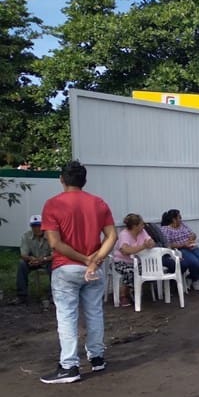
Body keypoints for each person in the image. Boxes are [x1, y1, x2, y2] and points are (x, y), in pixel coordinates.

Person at [40, 160, 116, 384]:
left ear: (62, 180)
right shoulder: (98, 203)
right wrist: (94, 260)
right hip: (93, 269)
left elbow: (54, 243)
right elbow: (112, 236)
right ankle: (97, 357)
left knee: (67, 317)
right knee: (94, 313)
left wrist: (84, 259)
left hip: (66, 268)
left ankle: (69, 366)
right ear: (84, 181)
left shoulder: (53, 204)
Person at [160, 209, 199, 291]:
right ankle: (195, 280)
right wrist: (183, 244)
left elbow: (193, 234)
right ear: (174, 219)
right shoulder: (166, 229)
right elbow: (168, 244)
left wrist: (192, 237)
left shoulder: (183, 225)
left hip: (191, 246)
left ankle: (190, 277)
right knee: (195, 263)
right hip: (180, 249)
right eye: (179, 217)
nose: (181, 219)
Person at [113, 213, 156, 306]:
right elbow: (125, 251)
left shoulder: (142, 232)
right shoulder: (124, 235)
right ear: (134, 226)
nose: (143, 226)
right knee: (130, 271)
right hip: (122, 261)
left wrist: (150, 244)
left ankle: (137, 292)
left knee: (150, 269)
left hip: (137, 261)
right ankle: (124, 296)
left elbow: (151, 241)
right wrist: (143, 246)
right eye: (141, 224)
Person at [15, 214, 52, 304]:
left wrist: (43, 259)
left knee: (55, 266)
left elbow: (55, 254)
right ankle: (21, 295)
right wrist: (31, 259)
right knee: (22, 264)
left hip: (47, 260)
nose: (37, 228)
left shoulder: (51, 236)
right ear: (31, 227)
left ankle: (53, 295)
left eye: (39, 225)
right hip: (32, 260)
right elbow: (23, 254)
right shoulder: (26, 236)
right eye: (34, 226)